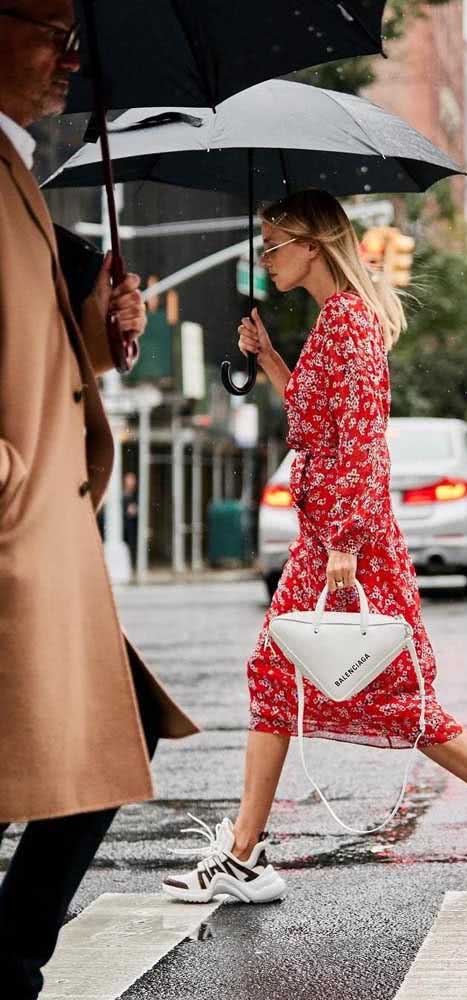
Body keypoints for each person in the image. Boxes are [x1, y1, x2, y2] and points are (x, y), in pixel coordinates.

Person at [163, 189, 467, 907]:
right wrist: (268, 357)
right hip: (326, 533)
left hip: (346, 540)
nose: (265, 260)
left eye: (274, 246)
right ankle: (244, 855)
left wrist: (346, 545)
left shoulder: (351, 323)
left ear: (314, 245)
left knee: (395, 704)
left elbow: (361, 442)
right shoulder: (332, 324)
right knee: (281, 683)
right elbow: (312, 419)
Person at [0, 4, 198, 997]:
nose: (70, 54)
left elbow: (27, 363)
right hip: (16, 543)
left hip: (42, 538)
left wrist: (95, 331)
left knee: (103, 730)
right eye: (48, 25)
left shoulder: (15, 173)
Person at [122, 471, 139, 569]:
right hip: (124, 527)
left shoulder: (136, 496)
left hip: (132, 527)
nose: (131, 482)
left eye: (133, 480)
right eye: (129, 479)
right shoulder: (121, 495)